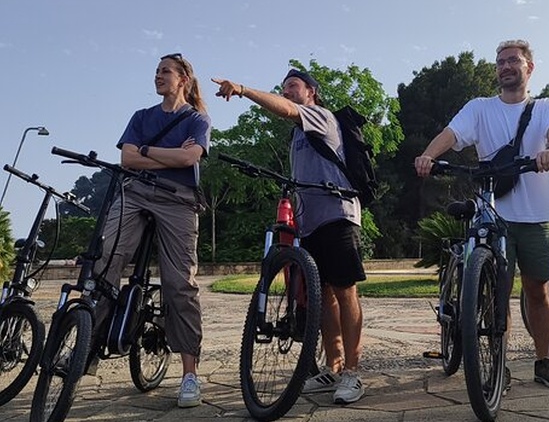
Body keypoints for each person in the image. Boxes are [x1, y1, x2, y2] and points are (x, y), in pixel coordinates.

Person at [414, 39, 549, 390]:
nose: (506, 67)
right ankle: (499, 362)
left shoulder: (546, 106)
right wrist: (427, 155)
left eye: (513, 60)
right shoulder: (480, 108)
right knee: (493, 292)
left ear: (529, 67)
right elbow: (452, 134)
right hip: (493, 214)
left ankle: (543, 360)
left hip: (536, 213)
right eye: (500, 62)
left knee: (537, 291)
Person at [212, 69, 367, 405]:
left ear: (311, 91)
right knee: (321, 296)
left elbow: (285, 110)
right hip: (309, 224)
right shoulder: (296, 136)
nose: (287, 92)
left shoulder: (320, 116)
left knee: (345, 290)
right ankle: (333, 366)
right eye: (283, 88)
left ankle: (353, 372)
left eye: (293, 86)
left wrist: (242, 89)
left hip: (338, 215)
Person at [96, 52, 211, 408]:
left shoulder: (197, 120)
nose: (159, 76)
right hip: (136, 191)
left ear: (183, 80)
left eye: (166, 71)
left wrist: (148, 150)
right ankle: (86, 348)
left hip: (177, 200)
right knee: (106, 261)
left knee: (179, 284)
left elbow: (190, 159)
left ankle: (189, 375)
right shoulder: (141, 117)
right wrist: (165, 153)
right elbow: (127, 159)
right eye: (157, 71)